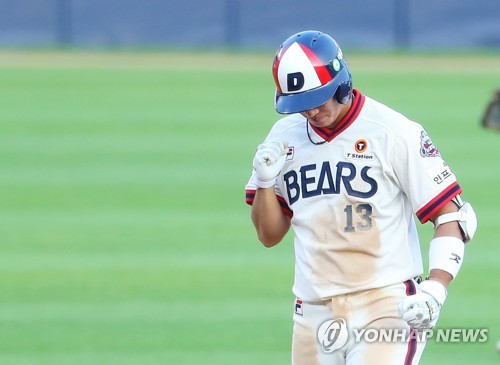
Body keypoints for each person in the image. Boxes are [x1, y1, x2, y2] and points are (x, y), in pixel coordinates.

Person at [244, 30, 477, 365]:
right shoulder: (284, 137)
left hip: (385, 305)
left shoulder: (392, 130)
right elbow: (268, 235)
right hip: (312, 310)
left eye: (317, 99)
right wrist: (265, 182)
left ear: (342, 83)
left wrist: (435, 289)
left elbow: (453, 217)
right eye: (300, 105)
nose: (310, 112)